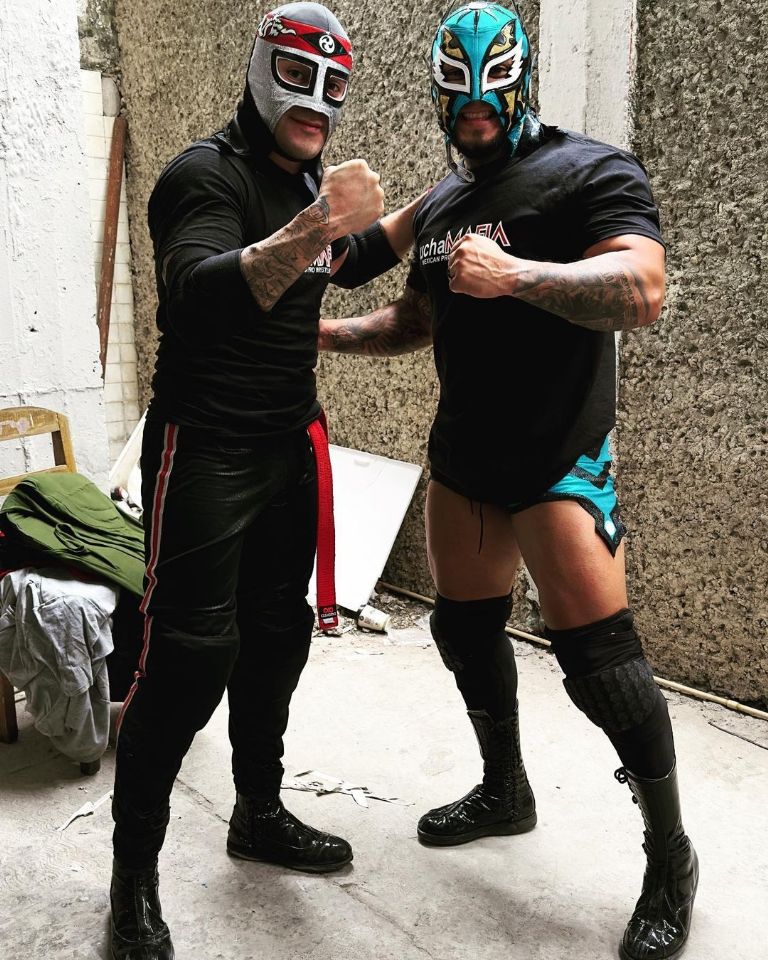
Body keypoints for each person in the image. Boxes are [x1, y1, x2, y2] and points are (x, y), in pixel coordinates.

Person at [318, 4, 698, 958]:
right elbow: (409, 314)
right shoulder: (441, 203)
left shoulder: (591, 170)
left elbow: (644, 291)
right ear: (440, 97)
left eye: (491, 95)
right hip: (465, 459)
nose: (475, 111)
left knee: (603, 669)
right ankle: (505, 788)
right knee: (462, 629)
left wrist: (520, 275)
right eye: (459, 98)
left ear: (521, 83)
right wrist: (319, 333)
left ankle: (671, 856)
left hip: (559, 456)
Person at [109, 4, 422, 957]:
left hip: (288, 444)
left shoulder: (303, 182)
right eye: (296, 75)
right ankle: (132, 883)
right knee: (184, 660)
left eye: (334, 84)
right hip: (204, 448)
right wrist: (321, 219)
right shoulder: (202, 176)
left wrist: (433, 206)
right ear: (258, 70)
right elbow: (197, 290)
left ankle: (257, 813)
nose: (316, 100)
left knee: (277, 638)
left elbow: (341, 260)